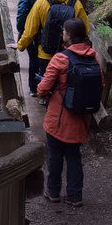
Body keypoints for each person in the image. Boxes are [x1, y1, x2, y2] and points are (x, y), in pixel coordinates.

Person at [37, 18, 103, 207]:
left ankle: (53, 191)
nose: (63, 34)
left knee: (55, 155)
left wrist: (49, 92)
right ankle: (75, 196)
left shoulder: (61, 58)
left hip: (58, 118)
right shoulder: (94, 57)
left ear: (69, 36)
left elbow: (43, 88)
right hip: (81, 117)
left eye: (64, 31)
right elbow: (101, 84)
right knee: (74, 156)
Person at [7, 0, 89, 104]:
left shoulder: (41, 3)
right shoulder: (76, 4)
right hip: (67, 55)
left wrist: (20, 45)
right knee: (64, 86)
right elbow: (85, 29)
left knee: (46, 87)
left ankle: (45, 100)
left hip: (45, 54)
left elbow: (30, 30)